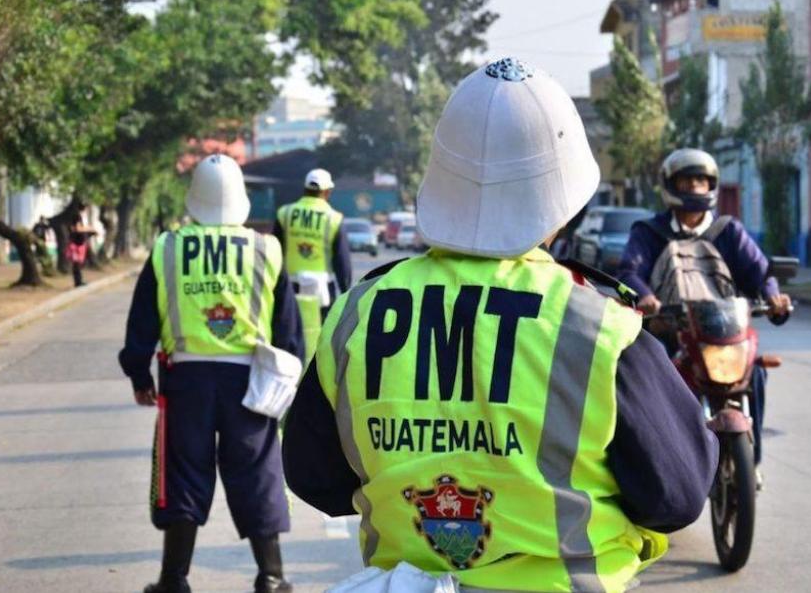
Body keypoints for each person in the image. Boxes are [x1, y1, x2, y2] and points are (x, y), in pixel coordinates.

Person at [282, 58, 718, 592]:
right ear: (565, 201)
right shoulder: (597, 325)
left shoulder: (359, 314)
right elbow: (677, 496)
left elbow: (314, 478)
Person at [118, 154, 303, 593]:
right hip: (249, 380)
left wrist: (139, 374)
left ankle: (174, 580)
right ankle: (271, 577)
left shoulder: (168, 247)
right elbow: (289, 328)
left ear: (194, 197)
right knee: (256, 470)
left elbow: (141, 320)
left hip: (186, 382)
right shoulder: (266, 248)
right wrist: (290, 377)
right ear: (240, 197)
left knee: (183, 473)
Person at [616, 147, 791, 478]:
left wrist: (774, 297)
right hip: (672, 330)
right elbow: (630, 271)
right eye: (687, 180)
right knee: (649, 380)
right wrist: (647, 297)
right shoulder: (649, 232)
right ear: (671, 185)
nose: (695, 187)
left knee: (756, 372)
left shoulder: (728, 231)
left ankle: (751, 459)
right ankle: (659, 465)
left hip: (723, 331)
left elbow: (761, 273)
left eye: (701, 180)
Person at [273, 168, 352, 320]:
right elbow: (342, 261)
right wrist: (346, 291)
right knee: (321, 334)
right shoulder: (333, 219)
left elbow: (274, 251)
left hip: (289, 287)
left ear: (305, 189)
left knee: (291, 333)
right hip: (323, 291)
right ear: (328, 192)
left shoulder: (285, 213)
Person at [67, 204, 96, 287]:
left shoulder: (78, 216)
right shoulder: (77, 216)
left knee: (78, 262)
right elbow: (78, 229)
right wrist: (89, 229)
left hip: (78, 243)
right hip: (76, 244)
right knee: (76, 263)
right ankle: (78, 281)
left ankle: (79, 281)